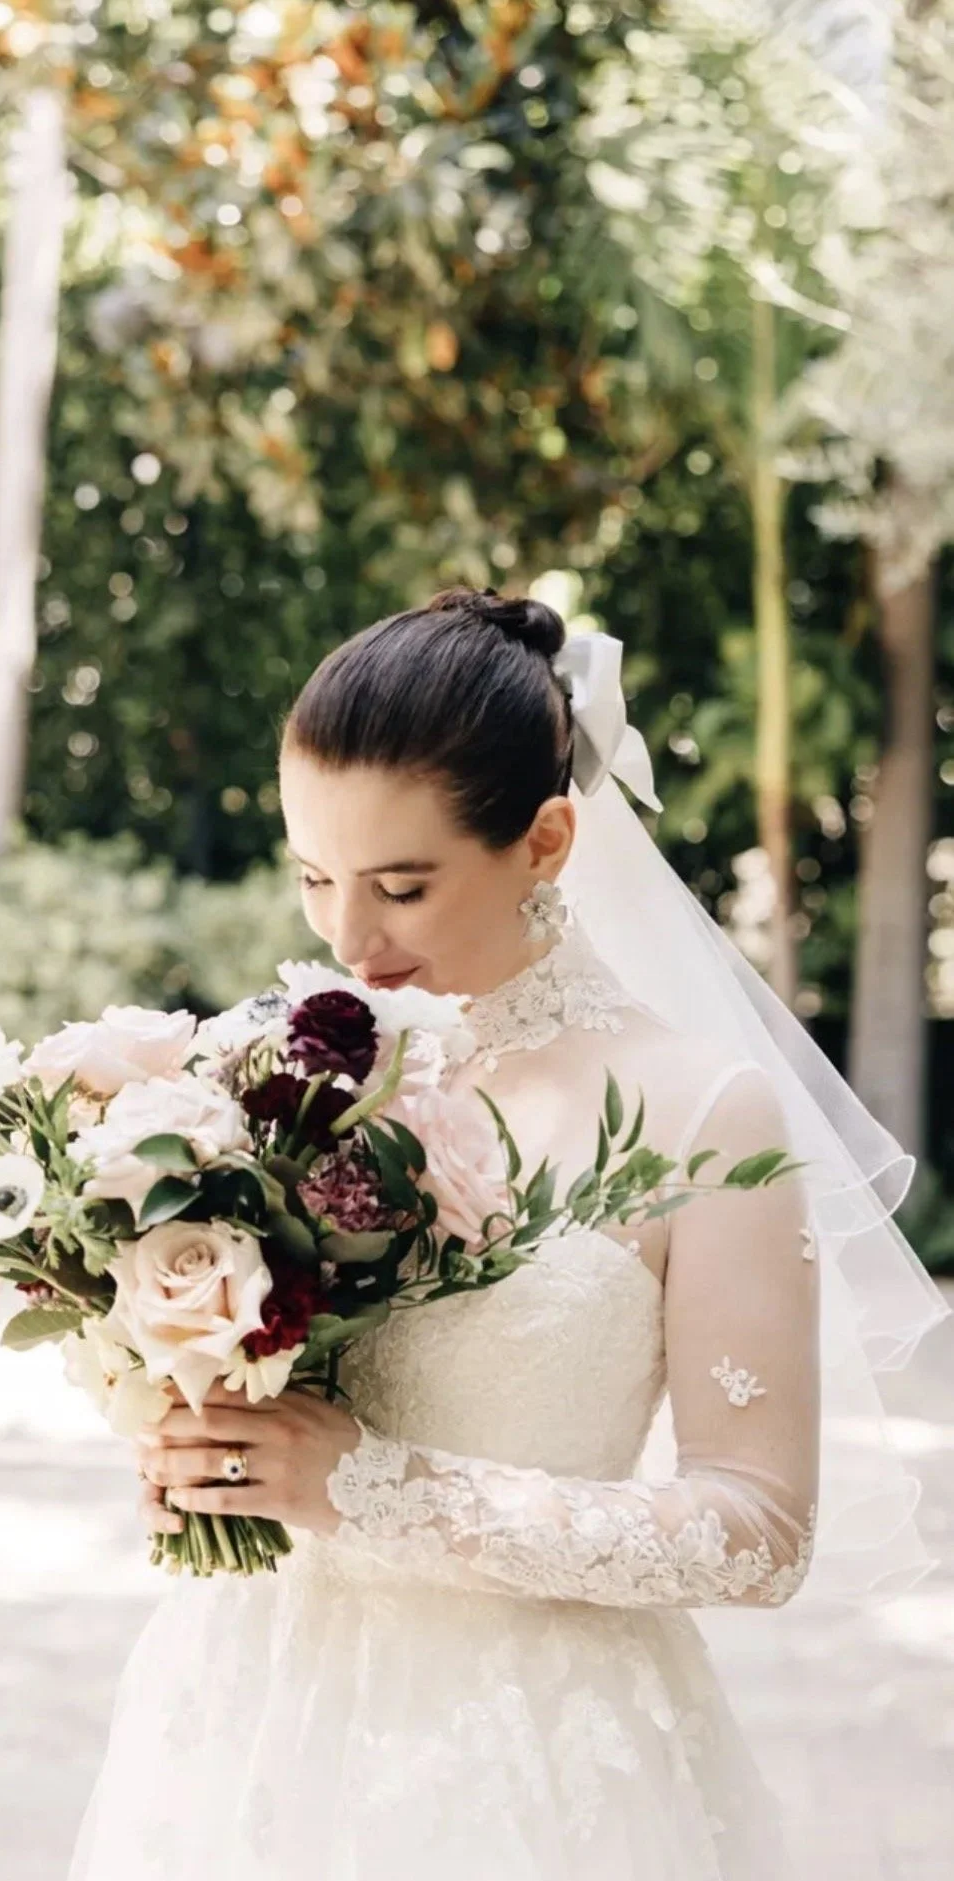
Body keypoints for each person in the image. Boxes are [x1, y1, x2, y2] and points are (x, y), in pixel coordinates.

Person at [67, 585, 947, 1880]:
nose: (347, 938)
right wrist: (190, 1427)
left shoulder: (701, 1105)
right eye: (313, 877)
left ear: (544, 841)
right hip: (254, 1720)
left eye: (401, 886)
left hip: (540, 1761)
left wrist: (367, 1486)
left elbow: (760, 1534)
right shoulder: (260, 1071)